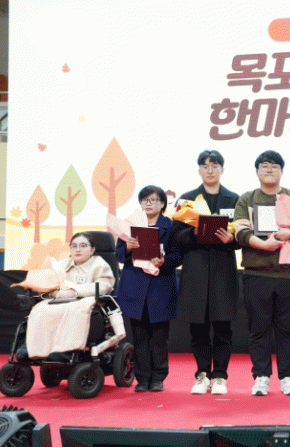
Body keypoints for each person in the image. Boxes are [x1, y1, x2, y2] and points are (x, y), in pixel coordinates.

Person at [233, 150, 290, 396]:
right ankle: (261, 376)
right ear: (257, 171)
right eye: (264, 166)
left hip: (289, 274)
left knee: (288, 329)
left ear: (282, 171)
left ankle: (287, 377)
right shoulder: (247, 199)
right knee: (258, 329)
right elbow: (240, 231)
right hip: (256, 273)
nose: (269, 170)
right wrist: (263, 244)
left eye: (274, 166)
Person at [172, 150, 239, 396]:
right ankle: (202, 374)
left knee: (223, 327)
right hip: (196, 269)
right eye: (205, 166)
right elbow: (176, 237)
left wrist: (232, 239)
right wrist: (193, 233)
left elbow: (243, 236)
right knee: (198, 328)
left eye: (215, 165)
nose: (210, 170)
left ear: (223, 169)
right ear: (199, 170)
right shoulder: (187, 200)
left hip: (223, 269)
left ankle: (220, 376)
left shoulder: (234, 199)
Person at [116, 185, 182, 392]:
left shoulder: (171, 226)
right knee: (140, 336)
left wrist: (164, 261)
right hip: (135, 287)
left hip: (160, 287)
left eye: (153, 200)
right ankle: (142, 378)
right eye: (144, 200)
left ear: (162, 204)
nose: (148, 204)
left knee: (159, 337)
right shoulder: (130, 224)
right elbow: (119, 255)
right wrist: (128, 247)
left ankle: (158, 377)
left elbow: (179, 256)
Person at [25, 232, 115, 360]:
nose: (78, 249)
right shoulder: (61, 264)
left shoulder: (100, 265)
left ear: (92, 250)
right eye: (74, 246)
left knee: (74, 309)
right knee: (40, 309)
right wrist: (53, 292)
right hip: (61, 299)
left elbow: (104, 286)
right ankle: (34, 349)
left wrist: (74, 291)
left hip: (88, 300)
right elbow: (47, 284)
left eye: (83, 246)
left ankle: (66, 351)